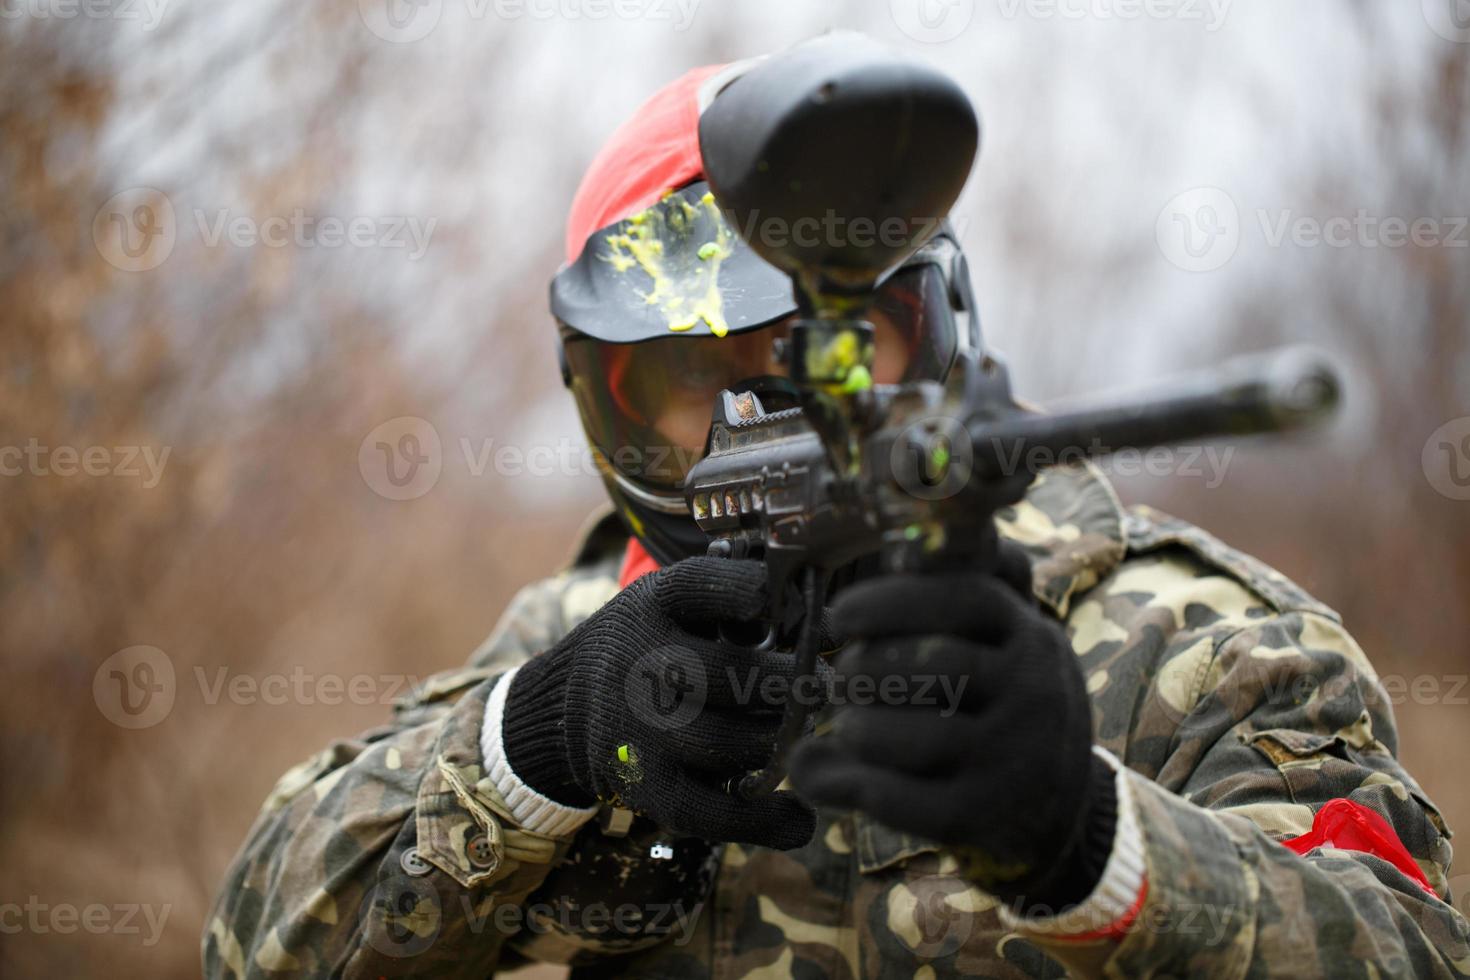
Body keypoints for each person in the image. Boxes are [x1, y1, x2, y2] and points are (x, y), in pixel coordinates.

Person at [205, 50, 1470, 979]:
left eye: (833, 351)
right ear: (603, 404)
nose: (771, 419)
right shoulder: (576, 640)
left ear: (939, 333)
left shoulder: (1195, 645)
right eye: (698, 377)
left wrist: (1090, 843)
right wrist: (529, 748)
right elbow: (255, 940)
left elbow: (1407, 946)